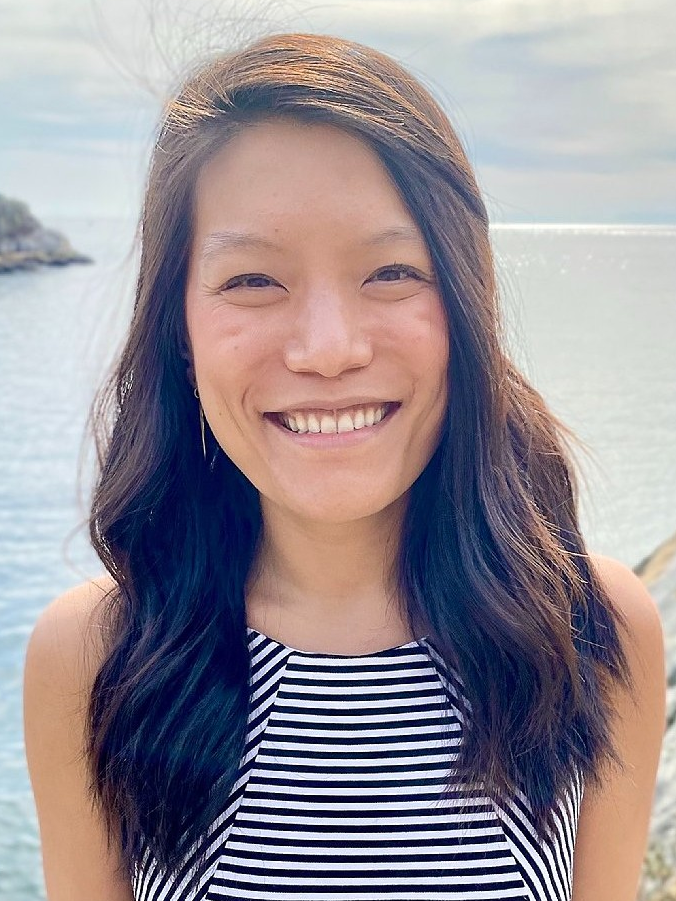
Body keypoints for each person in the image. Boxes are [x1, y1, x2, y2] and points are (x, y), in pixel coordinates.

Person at [23, 31, 665, 901]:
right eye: (253, 280)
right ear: (179, 329)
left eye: (392, 271)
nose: (328, 348)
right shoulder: (98, 655)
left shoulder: (591, 631)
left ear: (468, 303)